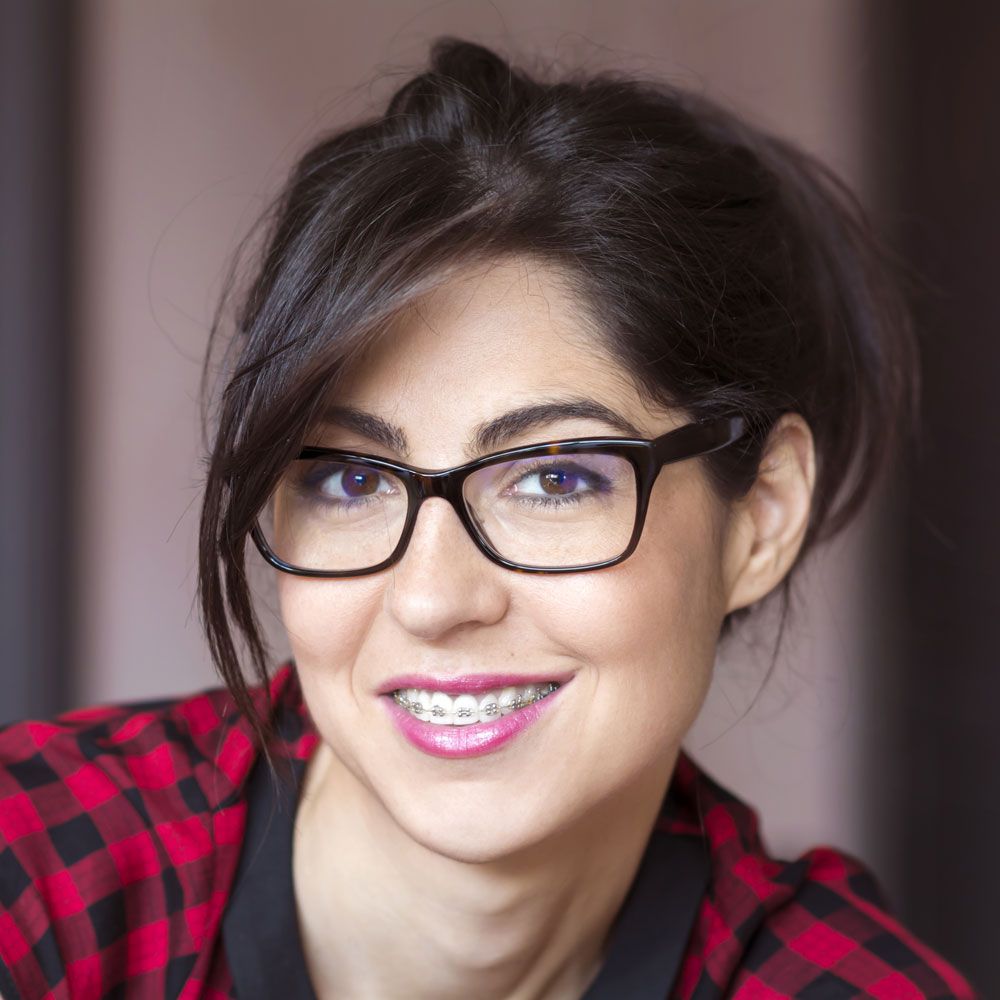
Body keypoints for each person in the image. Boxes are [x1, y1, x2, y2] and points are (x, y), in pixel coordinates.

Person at [0, 36, 979, 1000]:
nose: (432, 599)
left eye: (553, 478)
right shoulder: (41, 873)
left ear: (761, 516)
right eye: (352, 480)